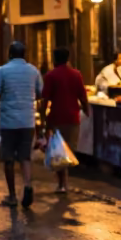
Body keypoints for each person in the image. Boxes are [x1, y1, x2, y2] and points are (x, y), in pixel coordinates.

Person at [0, 40, 43, 208]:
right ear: (24, 55)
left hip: (8, 122)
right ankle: (27, 185)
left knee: (9, 159)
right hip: (28, 121)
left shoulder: (2, 71)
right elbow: (40, 93)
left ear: (9, 54)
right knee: (25, 157)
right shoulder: (33, 71)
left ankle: (12, 196)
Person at [39, 46, 89, 194]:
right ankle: (63, 182)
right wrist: (87, 110)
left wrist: (42, 117)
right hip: (73, 117)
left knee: (59, 151)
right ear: (68, 59)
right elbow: (83, 96)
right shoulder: (76, 74)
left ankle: (62, 183)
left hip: (56, 118)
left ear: (54, 59)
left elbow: (45, 99)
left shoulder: (51, 76)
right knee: (68, 150)